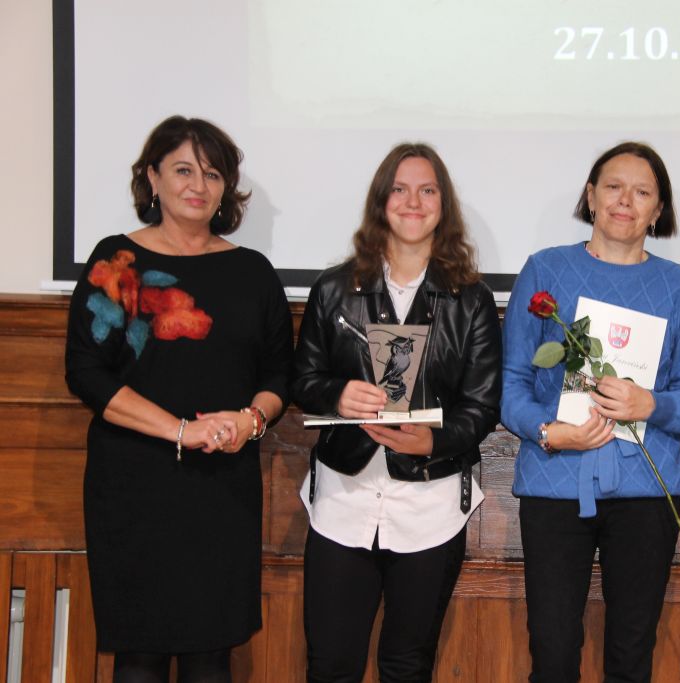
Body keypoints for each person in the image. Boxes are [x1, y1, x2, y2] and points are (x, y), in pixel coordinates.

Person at [64, 116, 293, 682]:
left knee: (211, 656)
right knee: (139, 657)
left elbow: (279, 374)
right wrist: (180, 430)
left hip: (223, 489)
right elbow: (86, 373)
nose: (198, 185)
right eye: (184, 170)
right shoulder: (117, 262)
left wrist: (250, 421)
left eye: (213, 174)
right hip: (134, 488)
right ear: (153, 177)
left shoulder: (252, 272)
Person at [290, 143, 502, 682]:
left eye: (427, 190)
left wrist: (433, 441)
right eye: (400, 189)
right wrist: (337, 394)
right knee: (330, 666)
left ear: (443, 204)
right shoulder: (334, 288)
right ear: (381, 201)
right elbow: (303, 381)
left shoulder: (471, 299)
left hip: (430, 505)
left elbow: (482, 406)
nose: (413, 202)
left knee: (407, 667)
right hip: (343, 500)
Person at [501, 142, 680, 682]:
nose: (625, 201)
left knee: (631, 656)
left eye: (642, 192)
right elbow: (513, 385)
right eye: (613, 187)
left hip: (647, 491)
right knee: (552, 654)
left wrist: (650, 404)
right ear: (590, 196)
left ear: (658, 210)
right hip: (554, 483)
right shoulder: (545, 269)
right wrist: (550, 433)